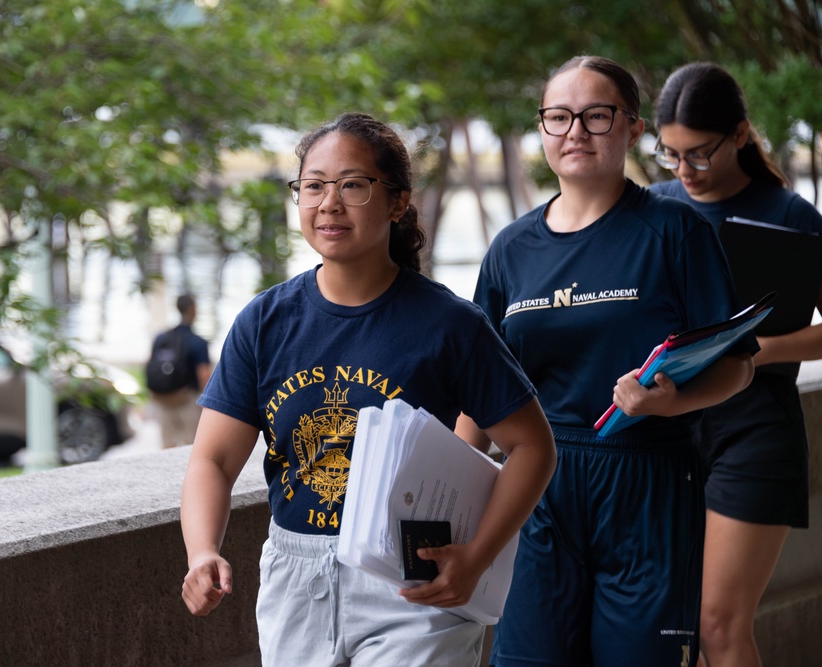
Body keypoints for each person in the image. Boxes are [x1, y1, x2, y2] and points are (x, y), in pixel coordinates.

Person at [179, 112, 556, 667]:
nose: (329, 202)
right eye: (313, 186)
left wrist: (476, 557)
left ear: (397, 202)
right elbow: (212, 459)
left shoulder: (450, 324)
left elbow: (532, 447)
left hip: (410, 580)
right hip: (295, 578)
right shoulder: (264, 322)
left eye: (353, 185)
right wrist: (202, 551)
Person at [456, 56, 757, 667]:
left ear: (632, 128)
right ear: (541, 129)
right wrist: (452, 496)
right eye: (559, 117)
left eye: (596, 116)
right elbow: (480, 391)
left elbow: (738, 365)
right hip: (540, 484)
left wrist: (674, 399)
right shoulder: (511, 249)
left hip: (648, 481)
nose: (575, 131)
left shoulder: (675, 231)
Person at [650, 61, 822, 667]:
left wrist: (761, 348)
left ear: (740, 135)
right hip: (667, 431)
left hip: (753, 434)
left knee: (719, 624)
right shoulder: (653, 209)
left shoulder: (789, 214)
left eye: (699, 154)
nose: (684, 171)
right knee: (667, 624)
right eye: (670, 155)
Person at [149, 293, 212, 448]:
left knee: (167, 446)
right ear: (192, 309)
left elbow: (151, 365)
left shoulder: (161, 338)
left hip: (163, 399)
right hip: (187, 400)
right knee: (192, 445)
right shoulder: (197, 342)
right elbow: (203, 373)